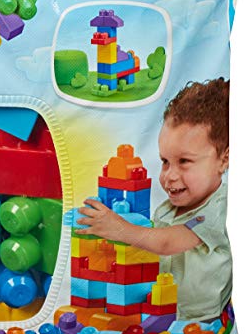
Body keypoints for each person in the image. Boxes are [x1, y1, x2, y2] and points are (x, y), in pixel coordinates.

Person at [76, 79, 231, 321]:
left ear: (224, 160)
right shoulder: (166, 210)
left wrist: (120, 228)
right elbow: (149, 250)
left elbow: (168, 243)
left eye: (184, 161)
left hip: (201, 318)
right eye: (165, 161)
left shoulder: (217, 207)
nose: (169, 175)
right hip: (162, 311)